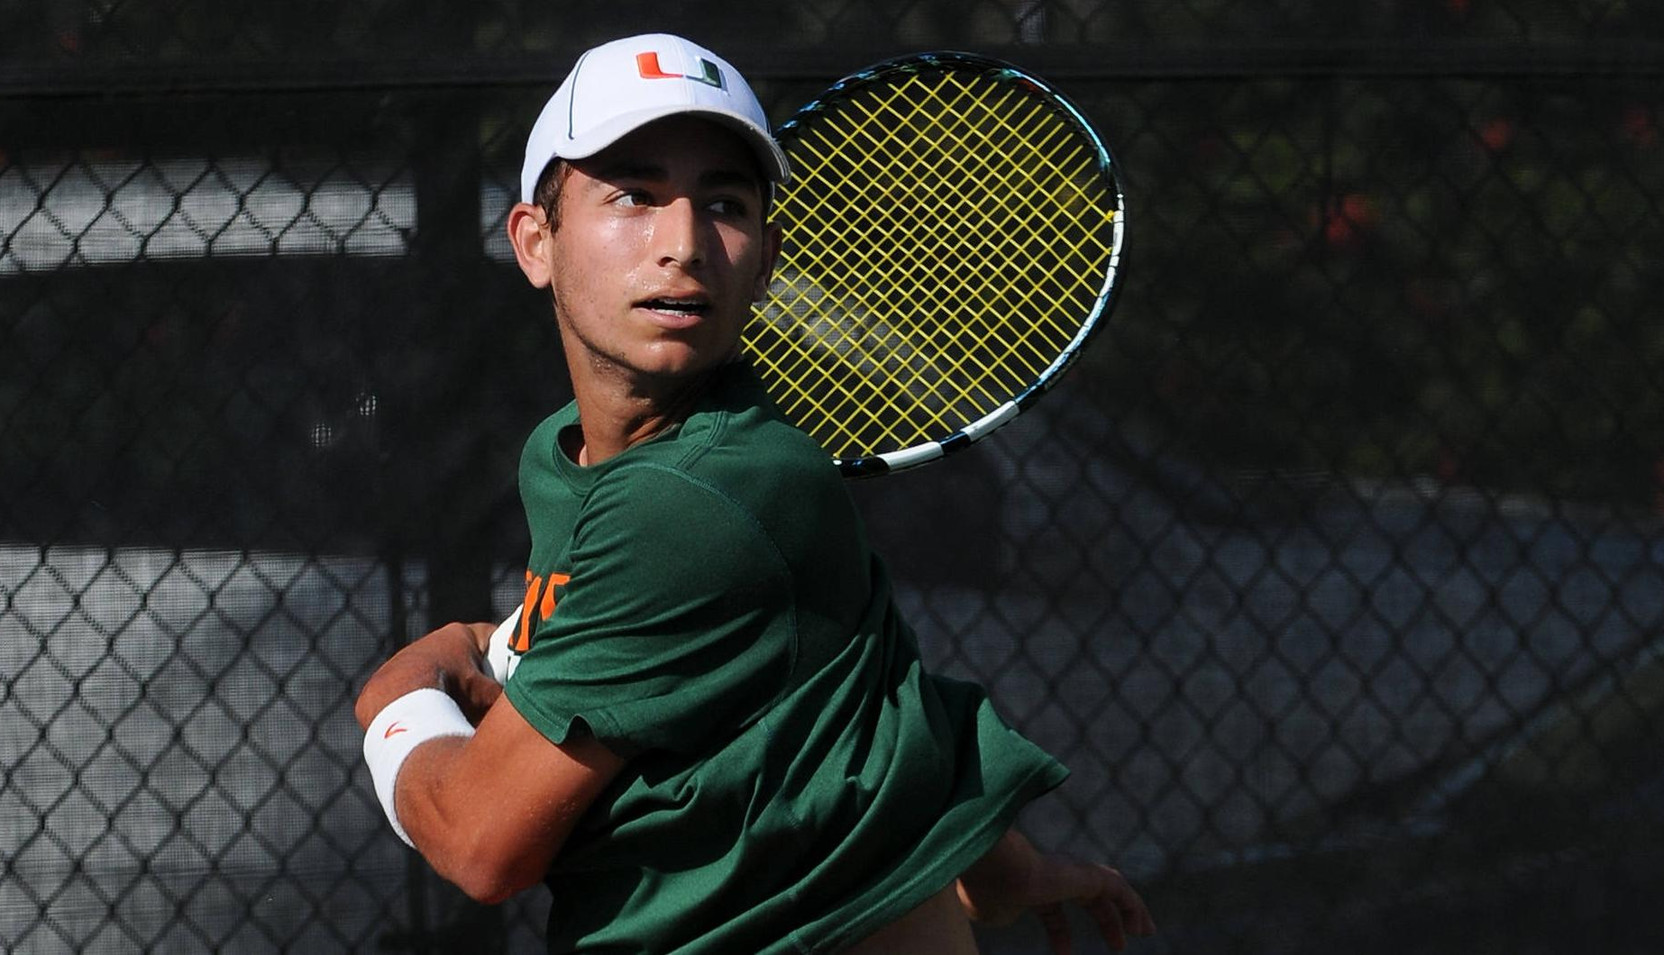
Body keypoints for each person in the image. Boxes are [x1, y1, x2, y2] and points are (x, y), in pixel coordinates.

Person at [354, 32, 1156, 955]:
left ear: (767, 256)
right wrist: (1004, 867)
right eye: (634, 195)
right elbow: (858, 676)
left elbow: (478, 842)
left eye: (724, 203)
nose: (684, 243)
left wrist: (400, 694)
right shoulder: (593, 457)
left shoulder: (695, 498)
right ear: (538, 240)